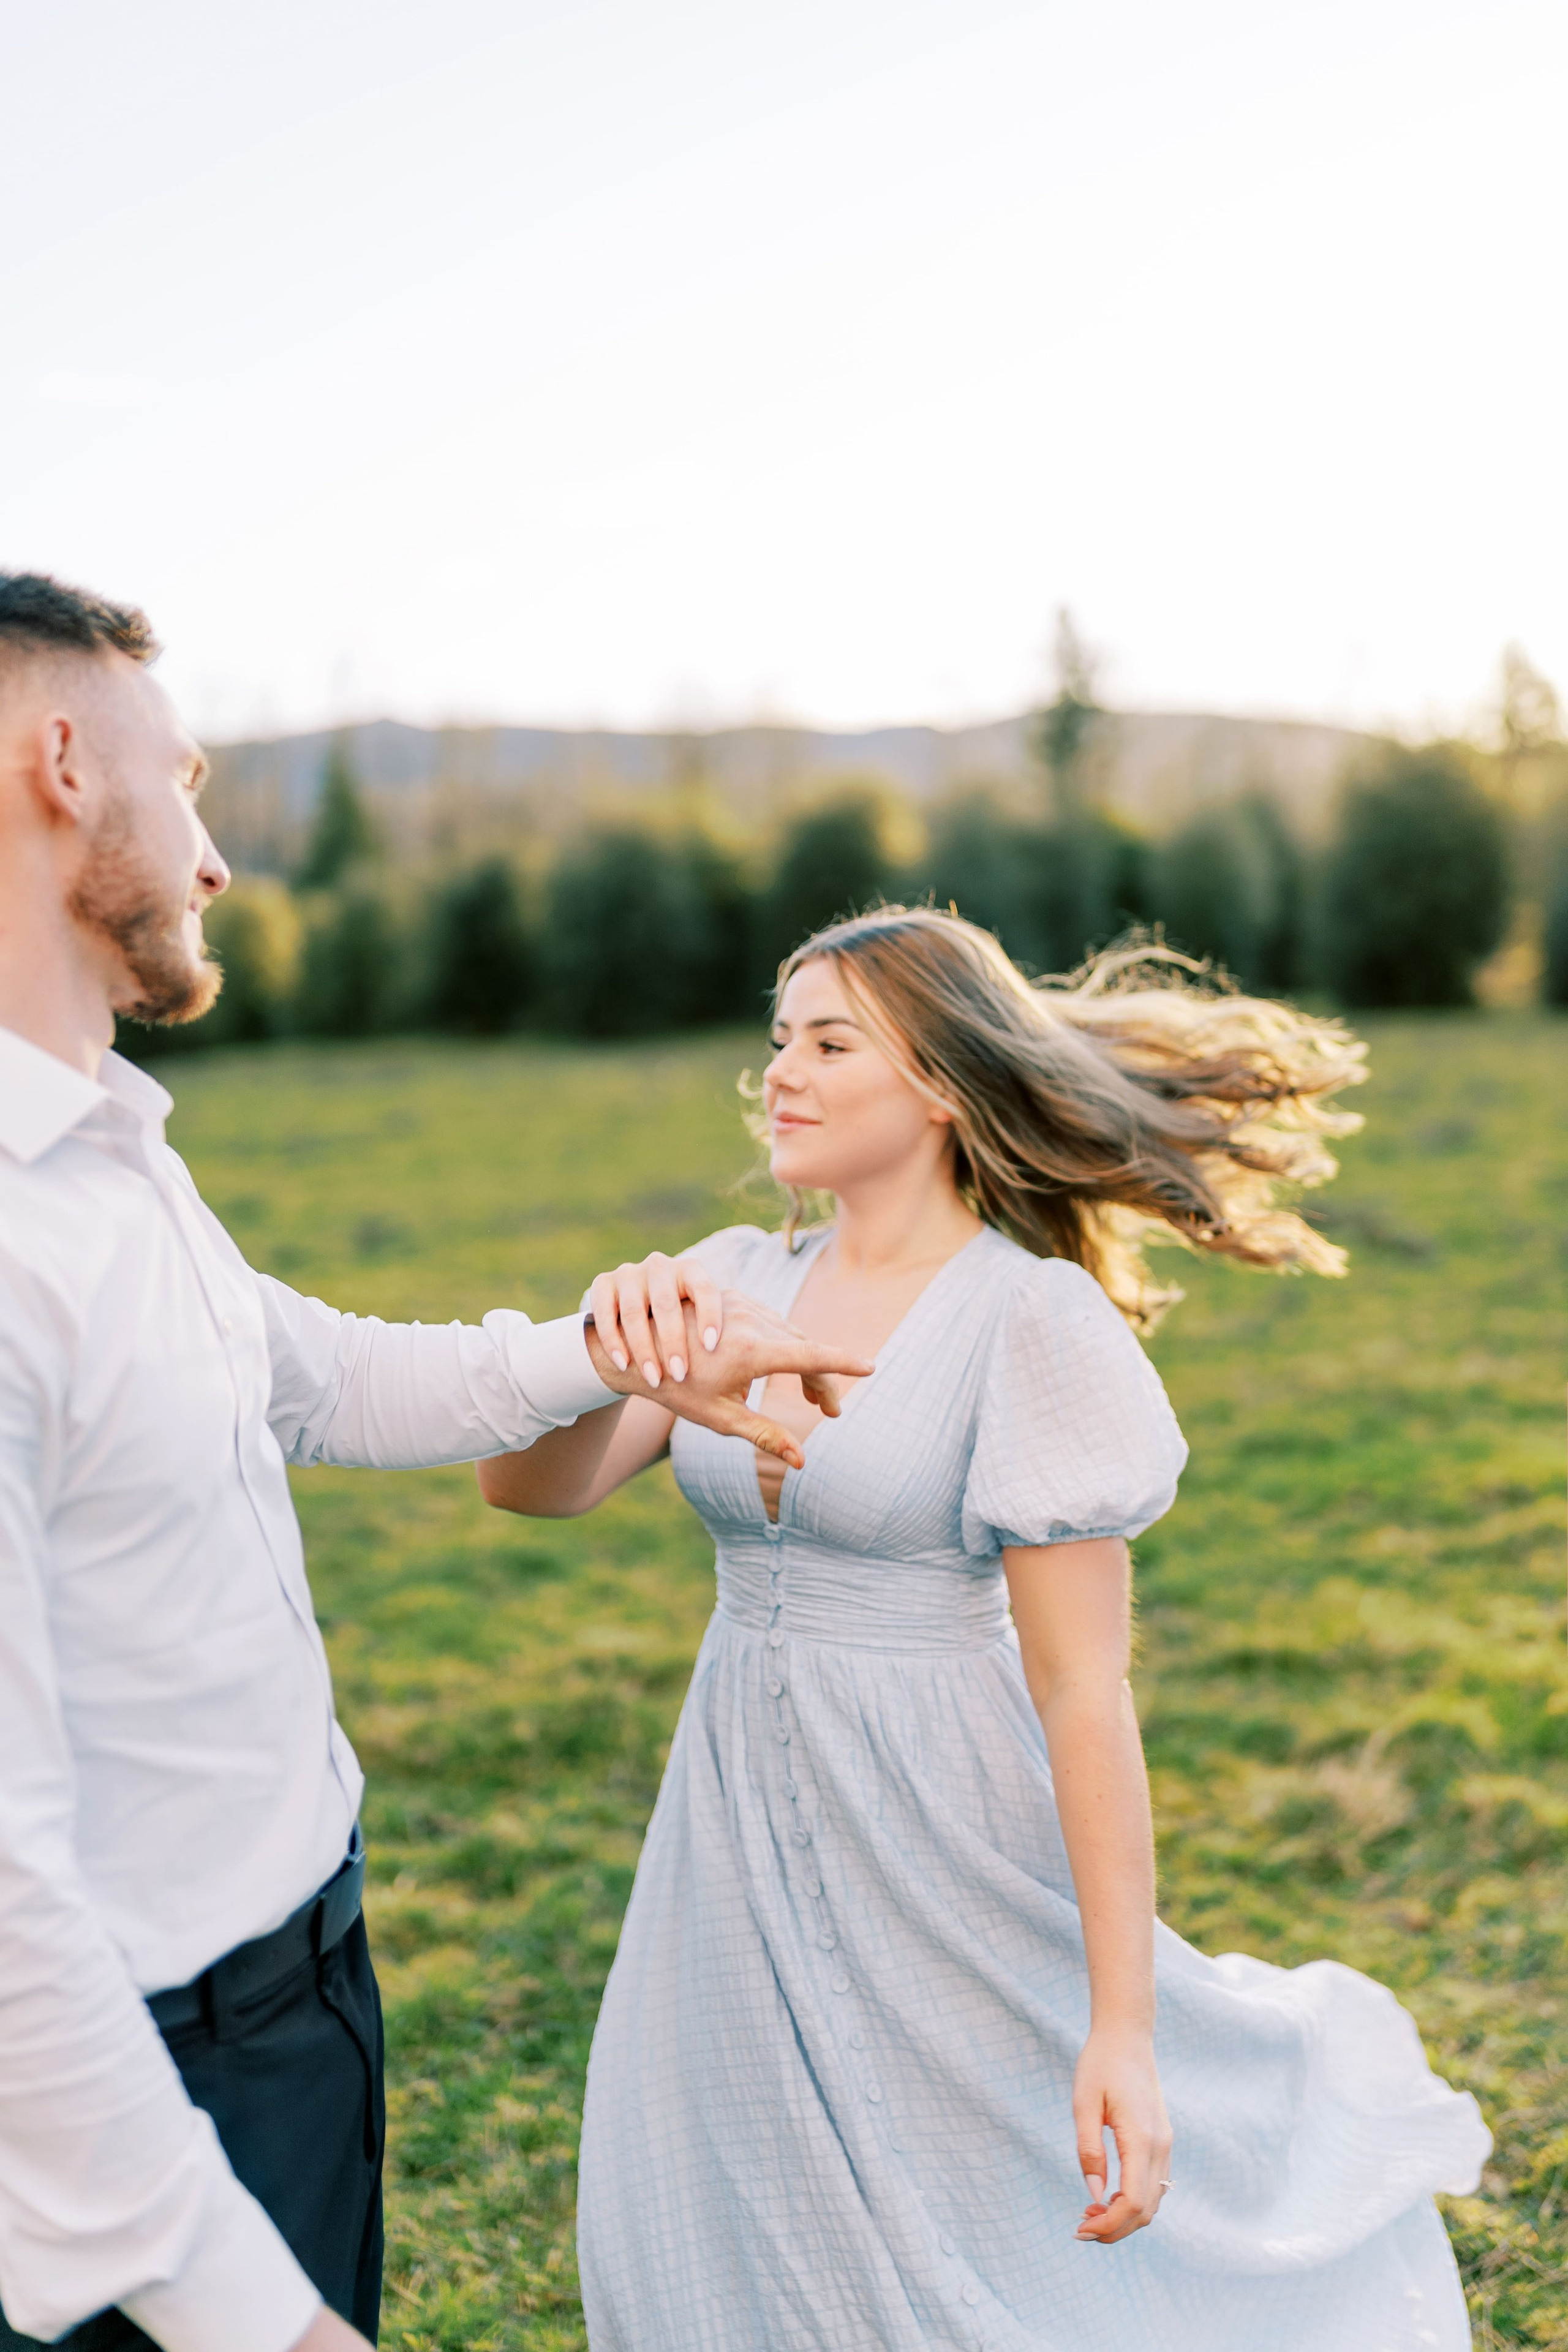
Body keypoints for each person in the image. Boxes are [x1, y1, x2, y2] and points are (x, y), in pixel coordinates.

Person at [0, 573, 869, 2352]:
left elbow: (320, 1381)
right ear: (65, 763)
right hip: (141, 2098)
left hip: (300, 1986)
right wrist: (252, 2314)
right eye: (194, 782)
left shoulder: (113, 1161)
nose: (215, 859)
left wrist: (632, 1350)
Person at [480, 906, 1491, 2351]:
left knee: (980, 2206)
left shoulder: (1027, 1322)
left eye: (831, 1044)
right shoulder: (729, 1280)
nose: (780, 1071)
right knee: (732, 2188)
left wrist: (1122, 2028)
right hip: (730, 1826)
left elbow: (1084, 1690)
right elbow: (530, 1489)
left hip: (943, 1829)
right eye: (778, 1040)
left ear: (941, 1086)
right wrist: (596, 1346)